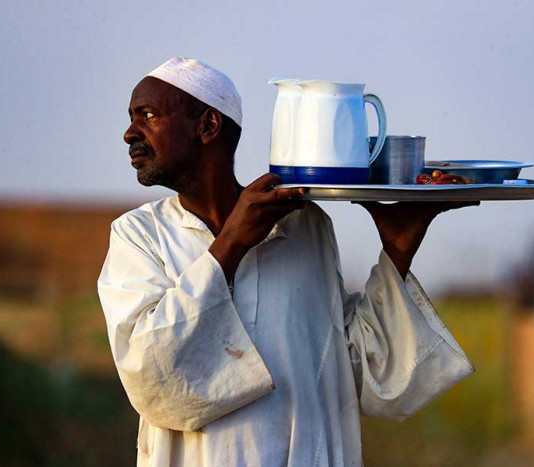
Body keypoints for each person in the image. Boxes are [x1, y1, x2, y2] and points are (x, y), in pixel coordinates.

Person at [98, 57, 476, 467]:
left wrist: (398, 251)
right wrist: (231, 245)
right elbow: (150, 373)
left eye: (148, 116)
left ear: (208, 126)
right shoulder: (139, 235)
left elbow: (350, 371)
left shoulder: (304, 226)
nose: (129, 133)